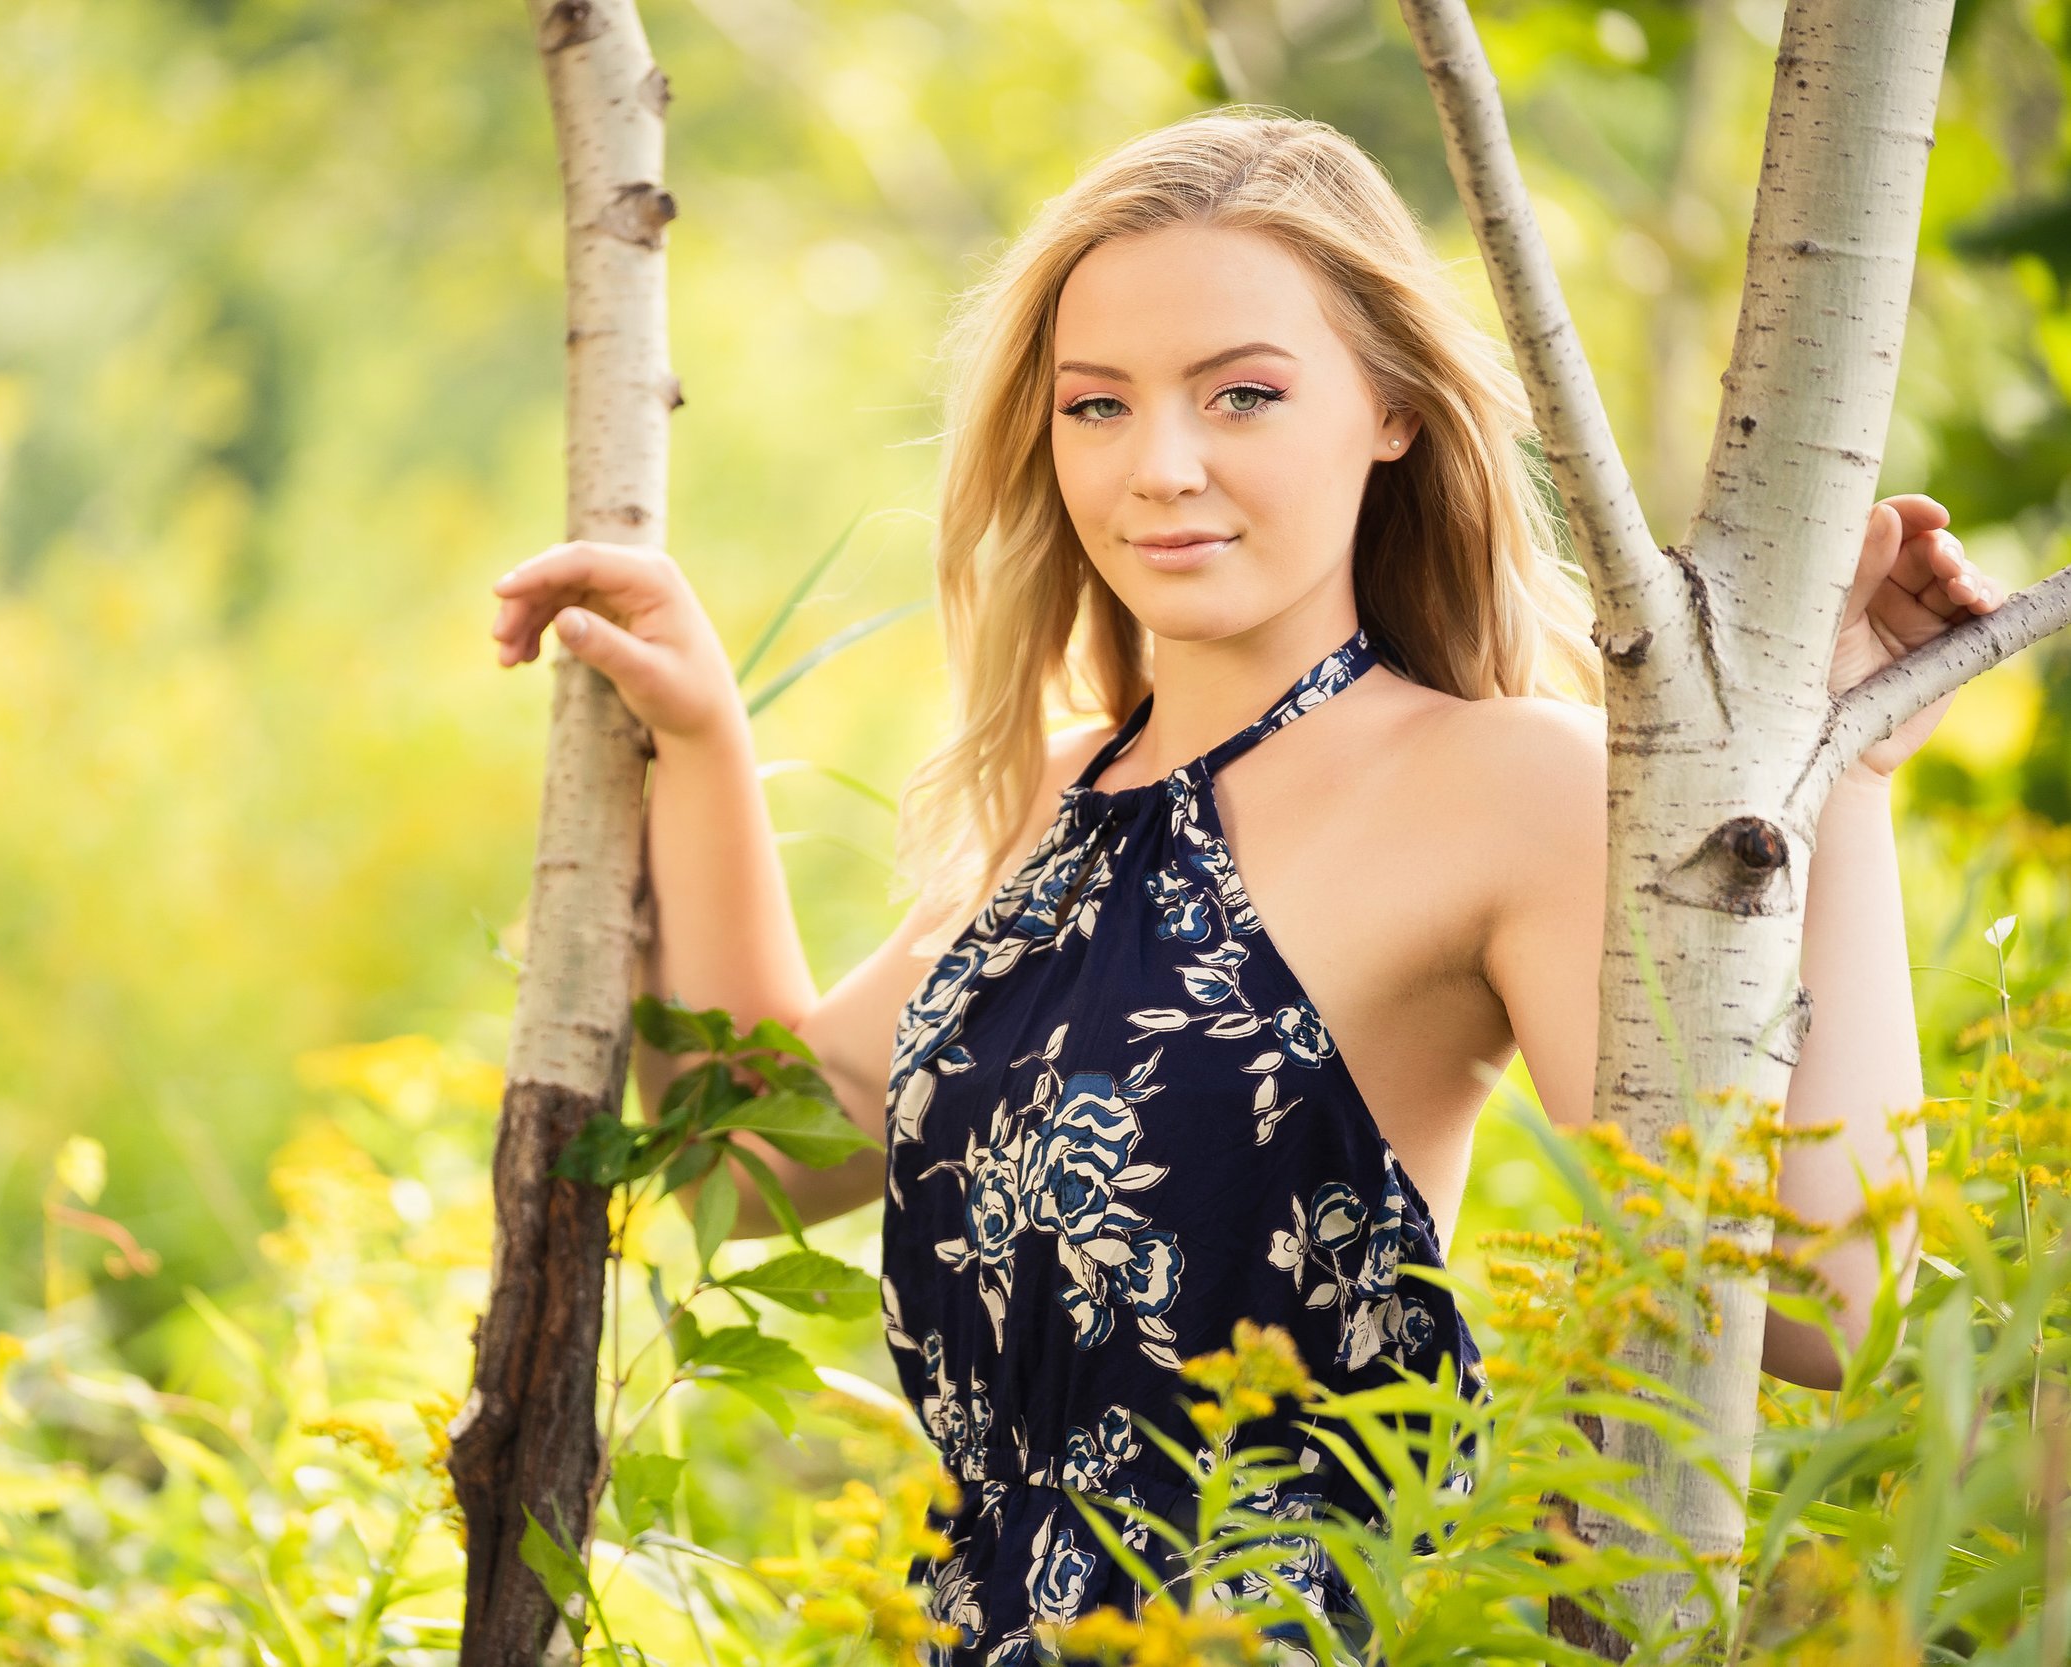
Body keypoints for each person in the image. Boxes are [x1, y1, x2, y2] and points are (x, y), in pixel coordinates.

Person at [485, 110, 2004, 1666]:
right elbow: (753, 1162)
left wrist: (1850, 783)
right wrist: (697, 741)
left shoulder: (1510, 783)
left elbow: (1821, 1306)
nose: (1160, 468)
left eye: (1246, 396)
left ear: (1394, 411)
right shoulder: (1068, 794)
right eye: (1098, 406)